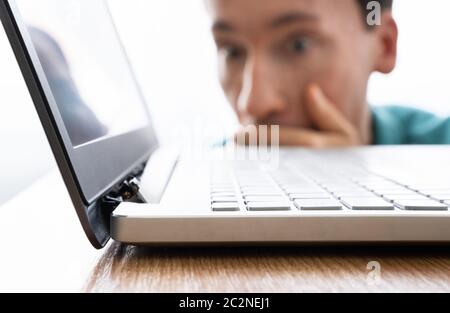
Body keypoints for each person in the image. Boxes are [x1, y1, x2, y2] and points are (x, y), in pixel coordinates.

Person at [207, 0, 450, 147]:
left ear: (384, 44)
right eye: (232, 51)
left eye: (298, 45)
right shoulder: (203, 176)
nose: (253, 103)